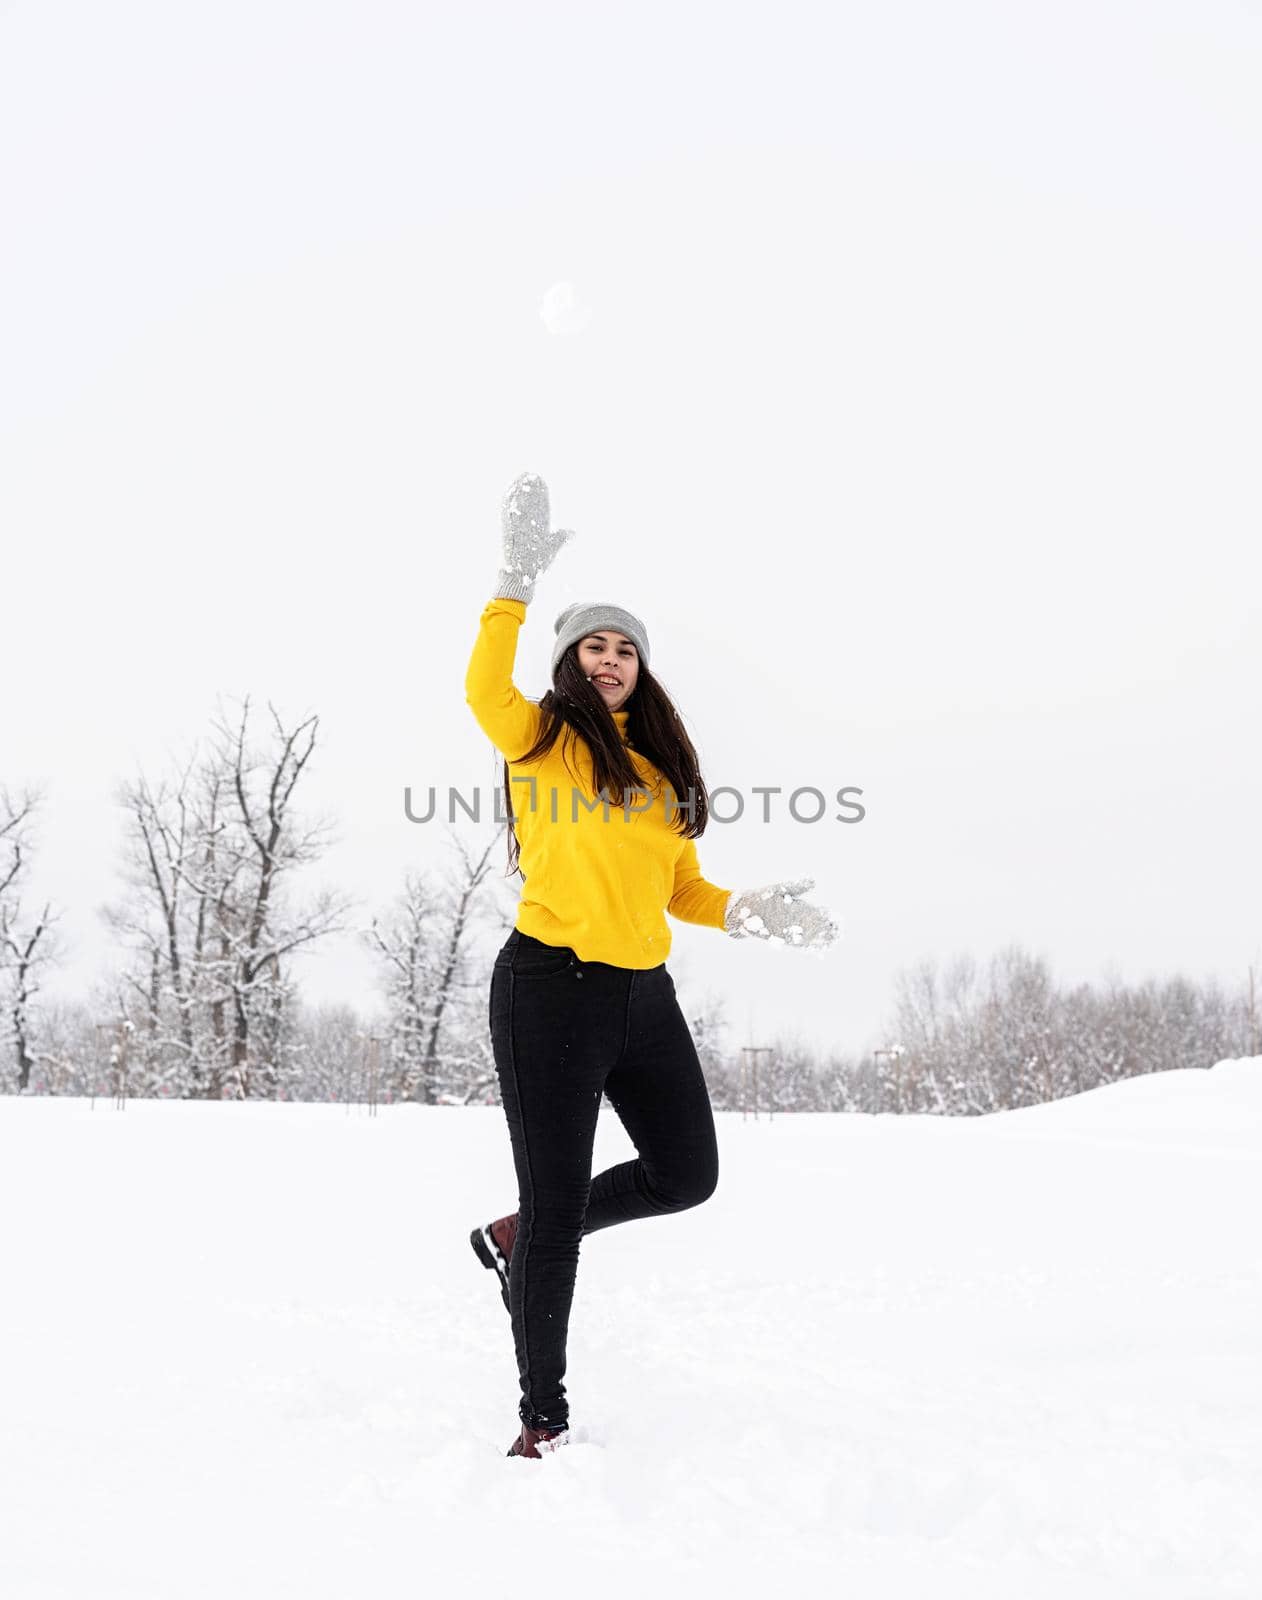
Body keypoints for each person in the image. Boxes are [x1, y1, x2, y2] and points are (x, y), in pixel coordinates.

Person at [464, 472, 839, 1460]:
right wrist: (511, 582)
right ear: (567, 661)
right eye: (593, 643)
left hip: (642, 996)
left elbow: (680, 888)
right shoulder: (539, 737)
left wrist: (748, 911)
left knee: (686, 1173)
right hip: (547, 989)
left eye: (625, 647)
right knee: (557, 1212)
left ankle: (523, 1233)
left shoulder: (660, 772)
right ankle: (540, 1417)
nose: (611, 658)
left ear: (642, 669)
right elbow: (481, 690)